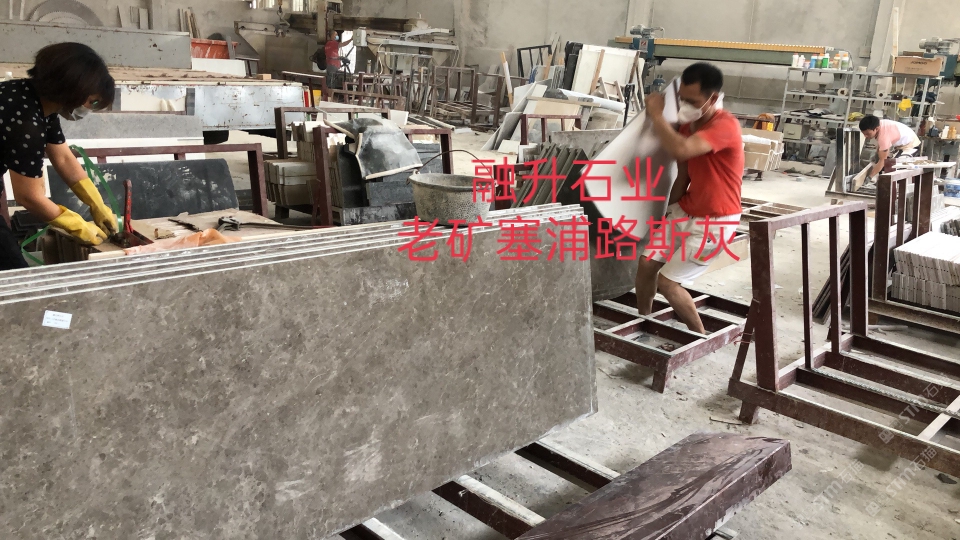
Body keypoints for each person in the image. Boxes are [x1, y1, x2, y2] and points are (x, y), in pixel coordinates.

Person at [636, 62, 744, 334]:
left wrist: (656, 114)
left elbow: (682, 151)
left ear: (713, 98)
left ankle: (701, 336)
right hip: (685, 210)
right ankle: (644, 321)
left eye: (692, 101)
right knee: (646, 265)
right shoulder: (687, 127)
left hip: (716, 220)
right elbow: (683, 174)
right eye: (682, 99)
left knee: (668, 284)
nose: (685, 105)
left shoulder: (726, 126)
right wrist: (668, 210)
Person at [0, 42, 117, 271]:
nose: (90, 108)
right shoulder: (26, 121)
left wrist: (96, 203)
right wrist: (76, 225)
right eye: (92, 101)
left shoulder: (33, 99)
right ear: (71, 90)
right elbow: (29, 197)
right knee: (14, 273)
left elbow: (63, 157)